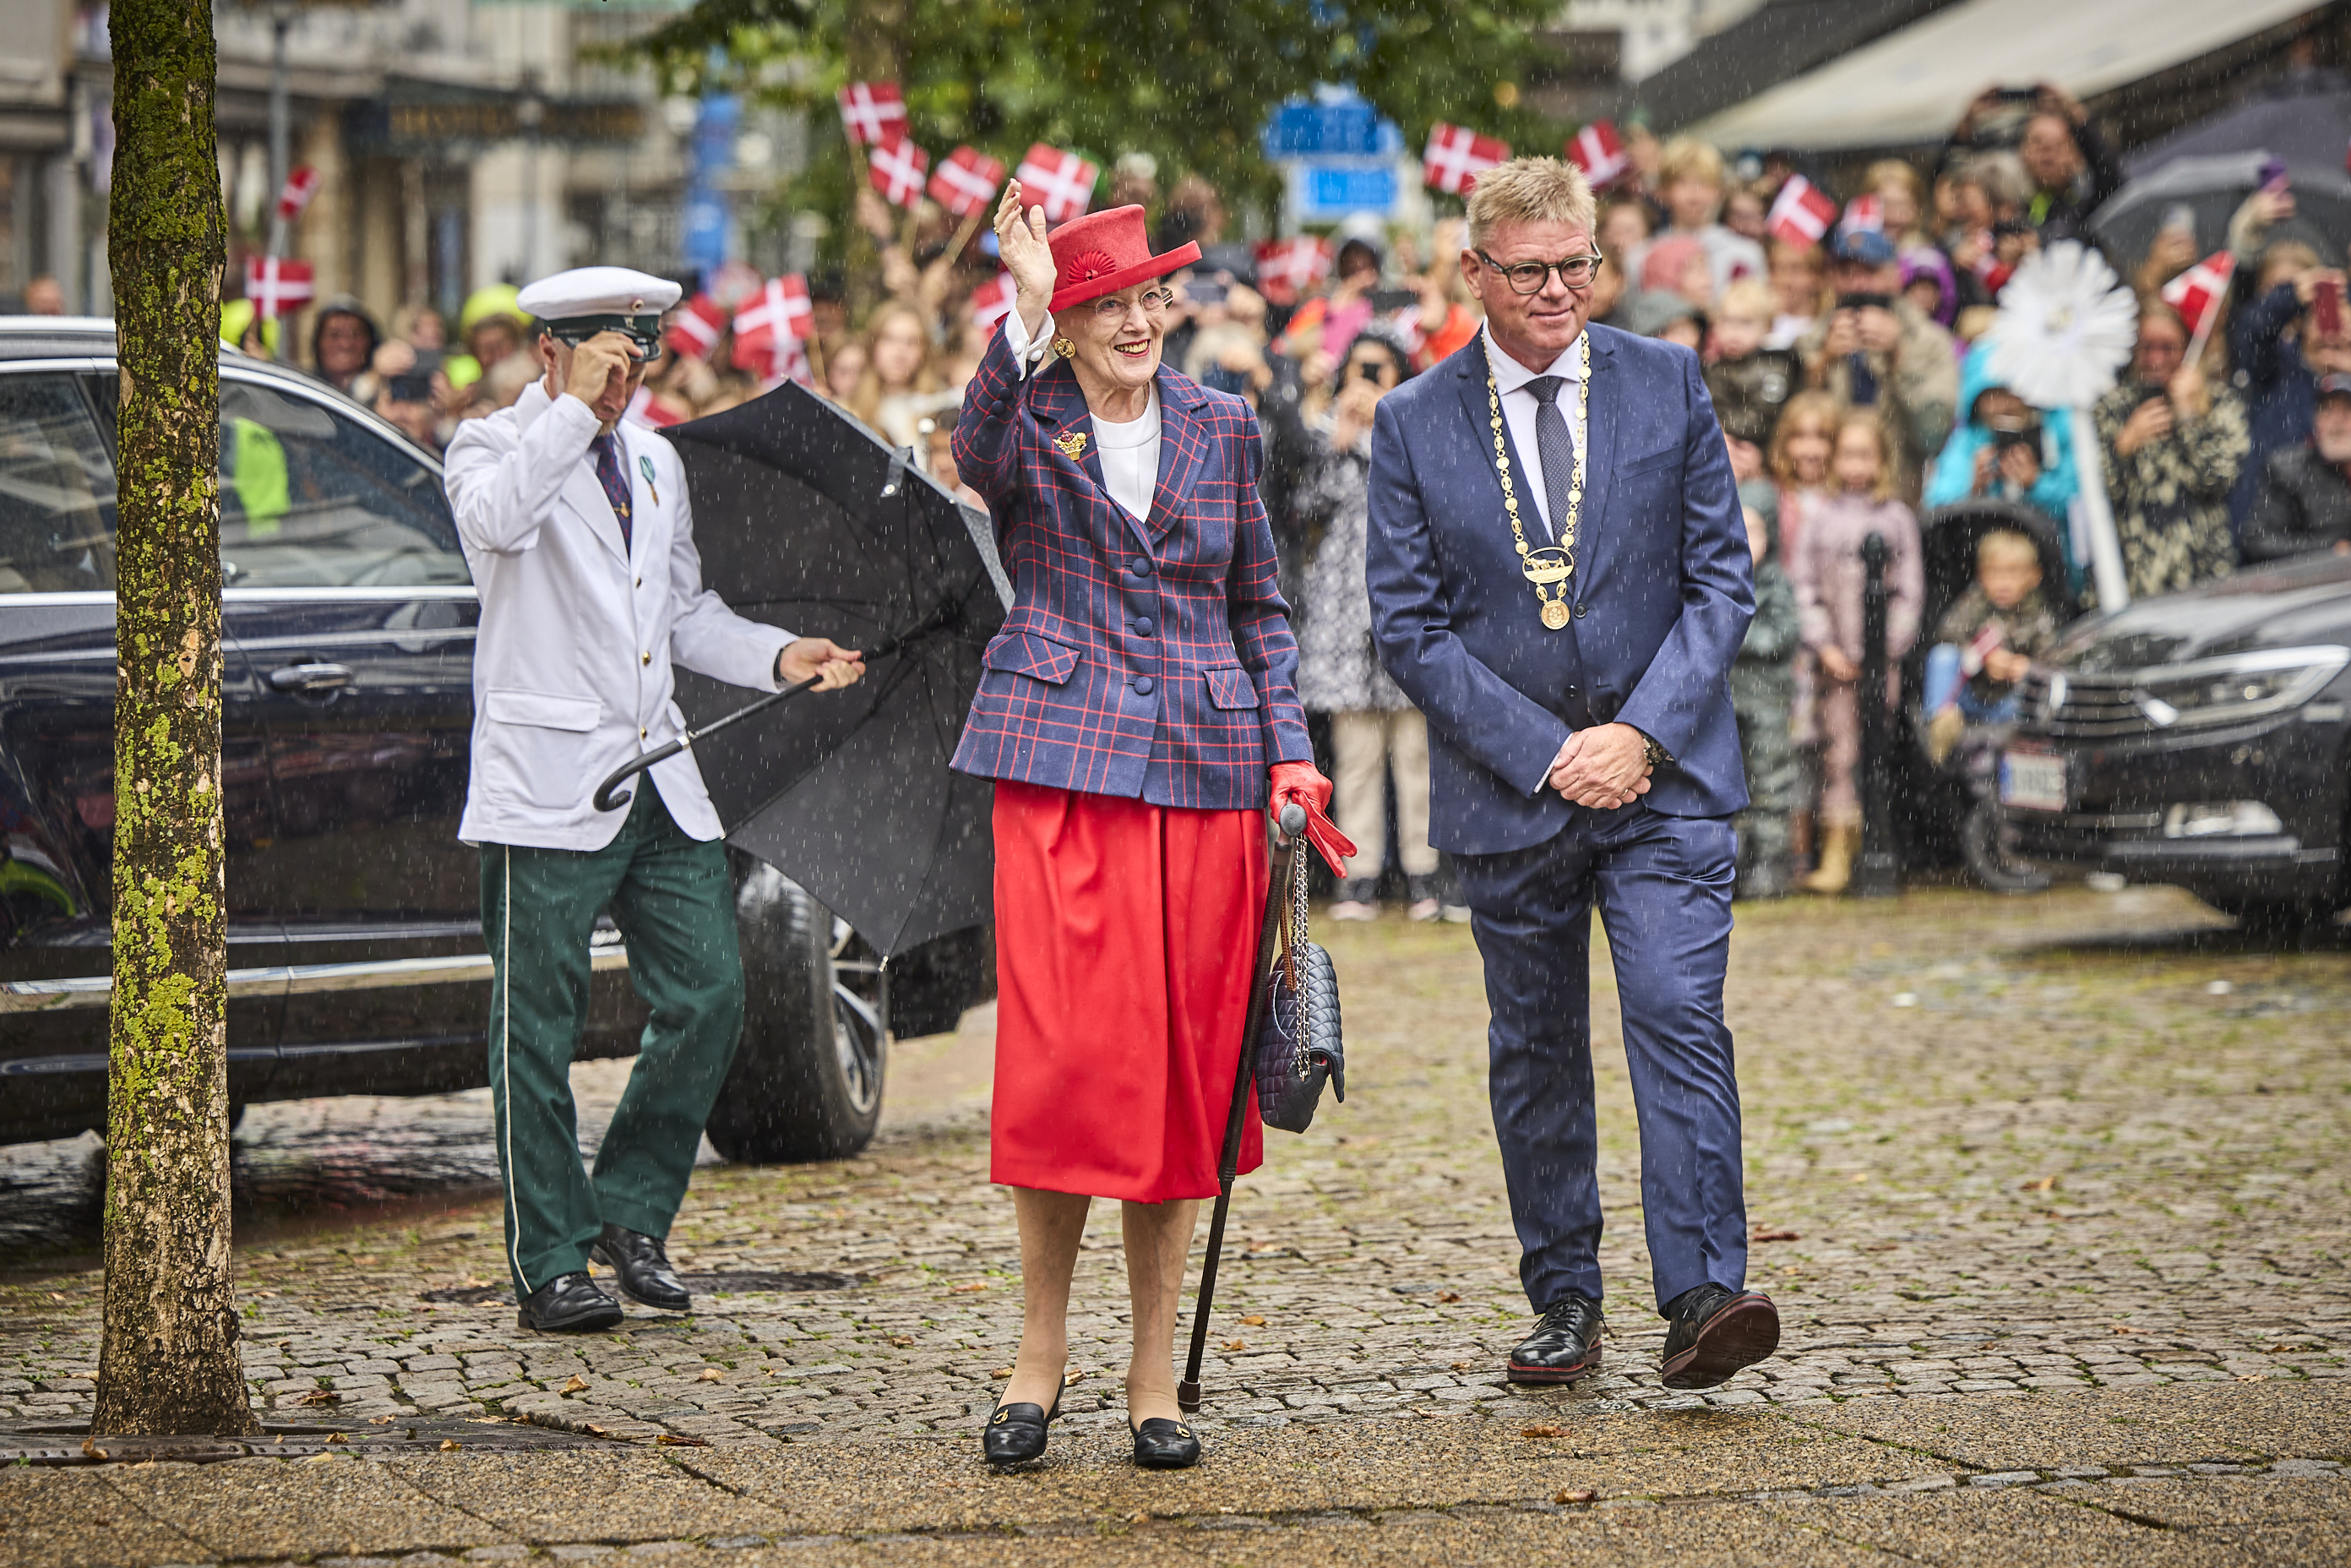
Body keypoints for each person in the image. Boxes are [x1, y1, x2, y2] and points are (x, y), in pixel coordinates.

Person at [1364, 157, 1776, 1395]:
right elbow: (1408, 628)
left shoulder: (1664, 382)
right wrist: (1546, 750)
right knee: (1534, 1049)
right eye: (1530, 271)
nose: (1557, 290)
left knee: (1671, 1010)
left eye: (1576, 267)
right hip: (1512, 794)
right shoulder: (1412, 420)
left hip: (1664, 780)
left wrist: (1638, 734)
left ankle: (1701, 1292)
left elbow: (1721, 581)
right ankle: (1562, 1296)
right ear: (1473, 273)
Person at [952, 187, 1340, 1473]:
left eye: (1146, 296)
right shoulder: (1029, 417)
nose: (1133, 320)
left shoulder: (1224, 424)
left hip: (1205, 771)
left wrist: (1289, 750)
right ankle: (1036, 1357)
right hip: (1061, 776)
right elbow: (976, 452)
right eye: (1102, 302)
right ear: (1061, 319)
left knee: (1181, 1084)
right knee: (1064, 1071)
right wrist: (1018, 303)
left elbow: (1260, 606)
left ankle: (1154, 1376)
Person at [441, 267, 866, 1335]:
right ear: (551, 350)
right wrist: (570, 415)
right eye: (607, 362)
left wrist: (778, 656)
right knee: (531, 1033)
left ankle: (630, 1210)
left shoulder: (656, 459)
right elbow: (495, 529)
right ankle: (549, 1258)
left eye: (639, 362)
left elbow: (680, 613)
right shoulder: (490, 446)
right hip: (544, 787)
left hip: (658, 778)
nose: (626, 383)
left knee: (712, 995)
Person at [1295, 327, 1439, 922]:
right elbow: (1303, 508)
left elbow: (1431, 500)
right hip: (1341, 611)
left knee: (1415, 752)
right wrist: (1339, 442)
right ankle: (1357, 877)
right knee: (1355, 753)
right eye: (1358, 369)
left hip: (1408, 603)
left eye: (1378, 371)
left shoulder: (1421, 430)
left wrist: (1382, 429)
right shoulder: (1324, 431)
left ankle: (1424, 876)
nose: (1365, 382)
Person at [1792, 414, 1922, 895]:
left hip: (1878, 665)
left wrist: (1883, 649)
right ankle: (1838, 851)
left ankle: (1880, 841)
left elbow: (1910, 594)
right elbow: (1803, 588)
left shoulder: (1895, 518)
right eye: (1847, 454)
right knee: (1839, 753)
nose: (1855, 464)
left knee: (1878, 748)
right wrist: (1825, 645)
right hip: (1833, 665)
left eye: (1865, 454)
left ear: (1882, 460)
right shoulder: (1820, 518)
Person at [2093, 301, 2250, 600]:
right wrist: (2125, 444)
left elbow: (2217, 482)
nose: (2156, 359)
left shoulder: (2220, 403)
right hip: (2135, 576)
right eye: (2147, 347)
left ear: (2189, 348)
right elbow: (2095, 494)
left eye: (2168, 348)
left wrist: (2189, 416)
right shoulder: (2112, 407)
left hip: (2204, 574)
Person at [1798, 228, 1957, 503]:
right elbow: (1788, 431)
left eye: (1869, 272)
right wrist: (1823, 363)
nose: (1858, 285)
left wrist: (1900, 359)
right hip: (1824, 500)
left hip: (1898, 494)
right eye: (1846, 273)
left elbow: (1933, 435)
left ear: (1895, 276)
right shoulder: (1812, 339)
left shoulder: (1930, 342)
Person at [1922, 528, 2060, 763]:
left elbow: (2053, 656)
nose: (2003, 583)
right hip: (1970, 697)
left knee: (2041, 682)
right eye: (1994, 573)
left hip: (2010, 703)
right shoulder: (1975, 602)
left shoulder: (2039, 614)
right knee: (1942, 656)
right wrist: (1982, 656)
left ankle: (2024, 734)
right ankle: (1941, 719)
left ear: (2033, 576)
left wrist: (2022, 667)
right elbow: (1947, 632)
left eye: (2013, 573)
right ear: (1981, 576)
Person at [1731, 482, 1799, 900]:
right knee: (1730, 782)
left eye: (1754, 529)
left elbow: (1781, 636)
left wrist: (1735, 632)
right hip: (1727, 703)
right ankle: (1735, 862)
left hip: (1768, 702)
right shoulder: (1716, 579)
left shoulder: (1774, 582)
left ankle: (1771, 861)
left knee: (1771, 783)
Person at [2242, 373, 2351, 561]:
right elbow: (2258, 541)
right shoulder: (2286, 469)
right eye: (2326, 410)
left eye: (2347, 411)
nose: (2336, 423)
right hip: (2317, 583)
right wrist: (2330, 549)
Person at [1656, 137, 1766, 294]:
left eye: (1703, 182)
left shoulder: (1747, 253)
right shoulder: (1643, 256)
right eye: (1682, 182)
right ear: (1663, 192)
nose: (1694, 192)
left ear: (1719, 191)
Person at [311, 297, 380, 400]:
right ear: (318, 343)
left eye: (355, 335)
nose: (345, 344)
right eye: (334, 335)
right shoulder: (304, 393)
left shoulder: (385, 391)